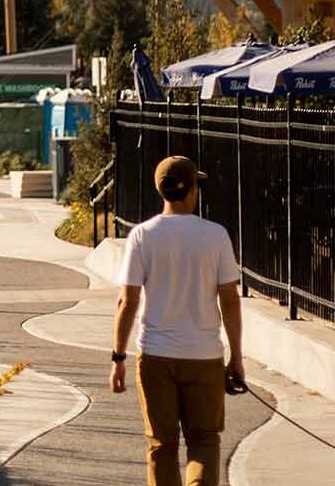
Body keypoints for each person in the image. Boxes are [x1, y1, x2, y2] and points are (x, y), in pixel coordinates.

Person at [109, 155, 244, 486]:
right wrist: (236, 357)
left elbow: (128, 301)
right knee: (204, 441)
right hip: (204, 356)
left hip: (155, 357)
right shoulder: (215, 235)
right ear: (192, 190)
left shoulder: (142, 235)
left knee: (161, 445)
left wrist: (118, 357)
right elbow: (229, 298)